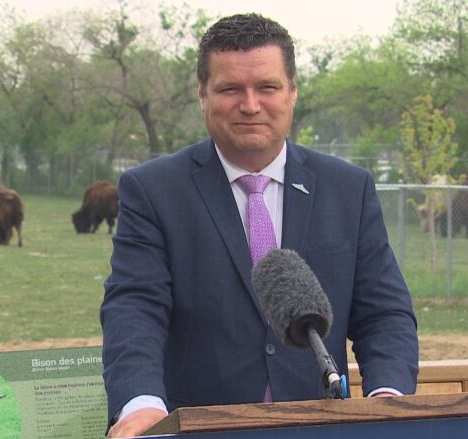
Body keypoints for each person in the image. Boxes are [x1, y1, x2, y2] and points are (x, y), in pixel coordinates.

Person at [101, 13, 419, 438]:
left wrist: (388, 395)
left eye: (266, 87)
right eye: (230, 88)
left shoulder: (349, 189)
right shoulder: (152, 190)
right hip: (198, 429)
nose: (250, 105)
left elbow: (384, 314)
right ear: (203, 95)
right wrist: (141, 405)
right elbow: (134, 309)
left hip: (319, 427)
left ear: (292, 93)